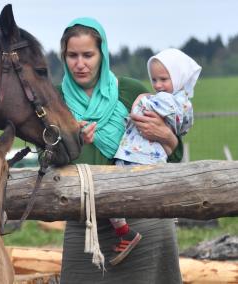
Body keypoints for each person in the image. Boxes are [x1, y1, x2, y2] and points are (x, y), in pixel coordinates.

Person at [58, 17, 184, 283]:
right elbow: (48, 160)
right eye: (72, 55)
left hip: (144, 219)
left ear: (102, 55)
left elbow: (172, 156)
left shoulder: (131, 91)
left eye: (88, 55)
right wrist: (70, 140)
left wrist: (166, 137)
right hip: (86, 228)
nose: (80, 64)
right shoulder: (54, 100)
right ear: (63, 56)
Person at [109, 48, 202, 265]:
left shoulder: (173, 101)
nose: (158, 85)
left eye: (164, 79)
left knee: (111, 196)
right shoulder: (181, 103)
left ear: (178, 78)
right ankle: (125, 233)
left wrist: (141, 98)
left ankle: (127, 233)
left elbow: (140, 110)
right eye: (154, 79)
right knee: (113, 198)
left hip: (140, 155)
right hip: (140, 154)